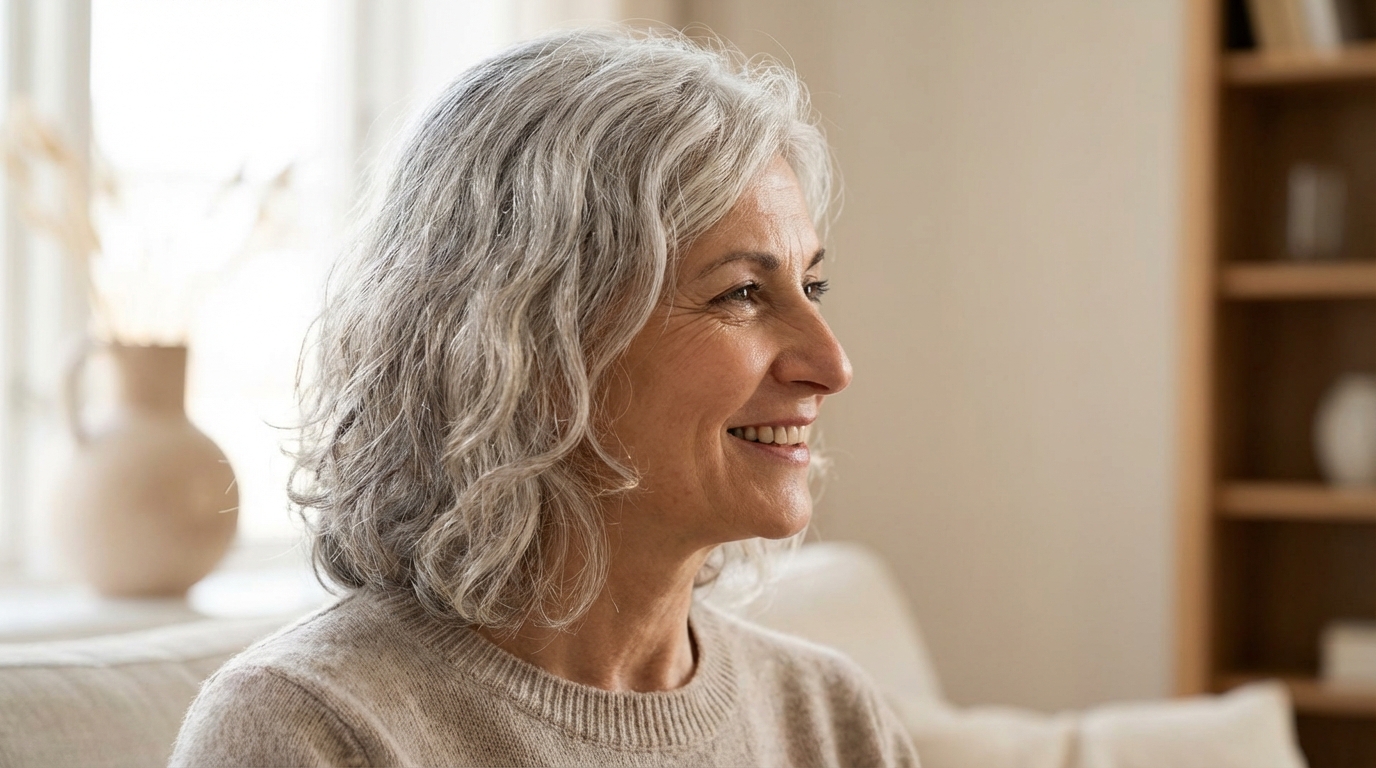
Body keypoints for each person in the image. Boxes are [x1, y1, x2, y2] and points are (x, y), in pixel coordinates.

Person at [172, 26, 919, 768]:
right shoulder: (308, 729)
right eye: (742, 293)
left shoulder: (828, 717)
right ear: (529, 343)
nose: (831, 364)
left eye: (812, 286)